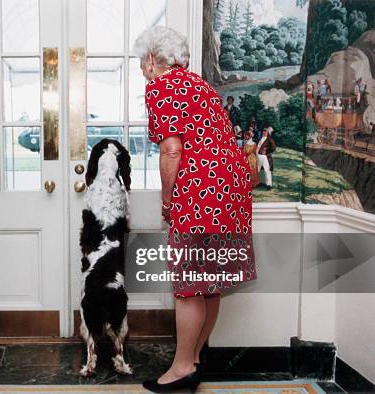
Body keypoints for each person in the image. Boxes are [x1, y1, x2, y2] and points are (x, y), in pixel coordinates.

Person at [135, 26, 256, 393]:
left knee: (189, 284)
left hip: (201, 188)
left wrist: (168, 199)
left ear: (153, 59)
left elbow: (172, 150)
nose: (143, 70)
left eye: (142, 63)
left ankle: (183, 367)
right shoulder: (199, 85)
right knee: (211, 282)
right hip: (231, 187)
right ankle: (196, 358)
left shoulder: (160, 85)